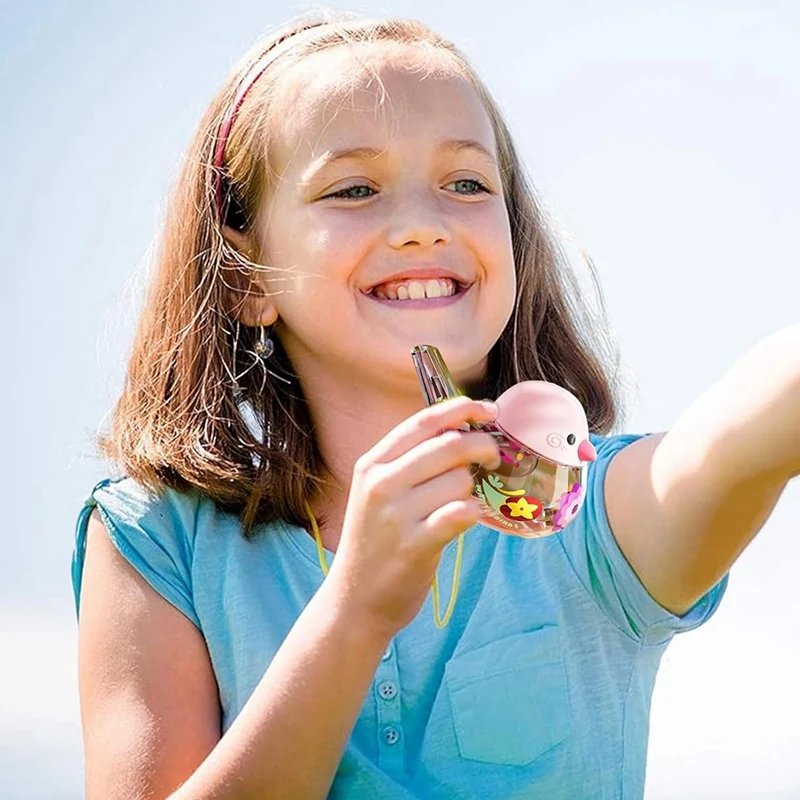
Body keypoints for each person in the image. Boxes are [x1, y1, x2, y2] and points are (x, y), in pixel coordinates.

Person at [71, 11, 799, 800]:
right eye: (354, 189)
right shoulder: (157, 543)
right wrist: (354, 613)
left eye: (467, 184)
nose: (422, 225)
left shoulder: (591, 514)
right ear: (248, 277)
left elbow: (748, 426)